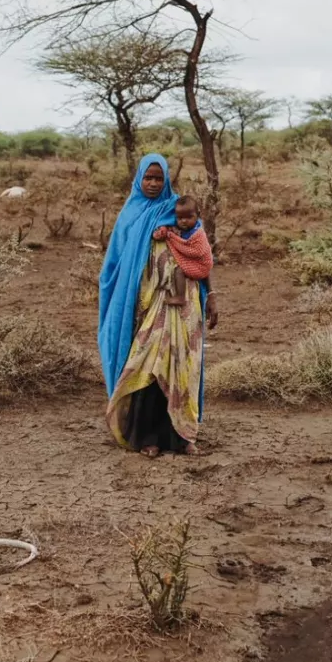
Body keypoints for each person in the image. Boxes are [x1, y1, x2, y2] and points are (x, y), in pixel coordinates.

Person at [98, 155, 219, 459]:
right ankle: (148, 437)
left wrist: (212, 294)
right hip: (149, 306)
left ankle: (182, 437)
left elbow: (202, 254)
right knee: (148, 367)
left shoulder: (178, 208)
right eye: (148, 178)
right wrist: (129, 301)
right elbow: (116, 266)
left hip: (186, 305)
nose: (153, 184)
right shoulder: (130, 215)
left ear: (166, 179)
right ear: (139, 178)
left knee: (183, 367)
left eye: (158, 178)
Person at [152, 195, 213, 307]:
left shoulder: (197, 232)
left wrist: (171, 238)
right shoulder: (180, 228)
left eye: (189, 217)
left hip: (200, 266)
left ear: (198, 215)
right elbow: (169, 232)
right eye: (180, 218)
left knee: (179, 270)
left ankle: (180, 297)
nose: (184, 221)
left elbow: (197, 251)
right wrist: (163, 233)